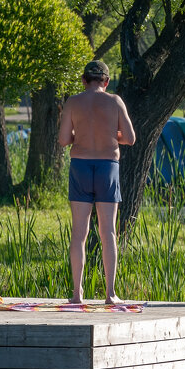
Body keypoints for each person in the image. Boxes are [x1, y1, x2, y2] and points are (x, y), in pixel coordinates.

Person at [57, 60, 136, 304]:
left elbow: (63, 140)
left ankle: (77, 293)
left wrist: (80, 134)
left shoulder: (73, 102)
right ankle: (110, 293)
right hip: (107, 167)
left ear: (83, 80)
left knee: (79, 232)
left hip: (80, 166)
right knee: (108, 232)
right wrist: (111, 134)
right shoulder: (115, 101)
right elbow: (130, 138)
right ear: (107, 81)